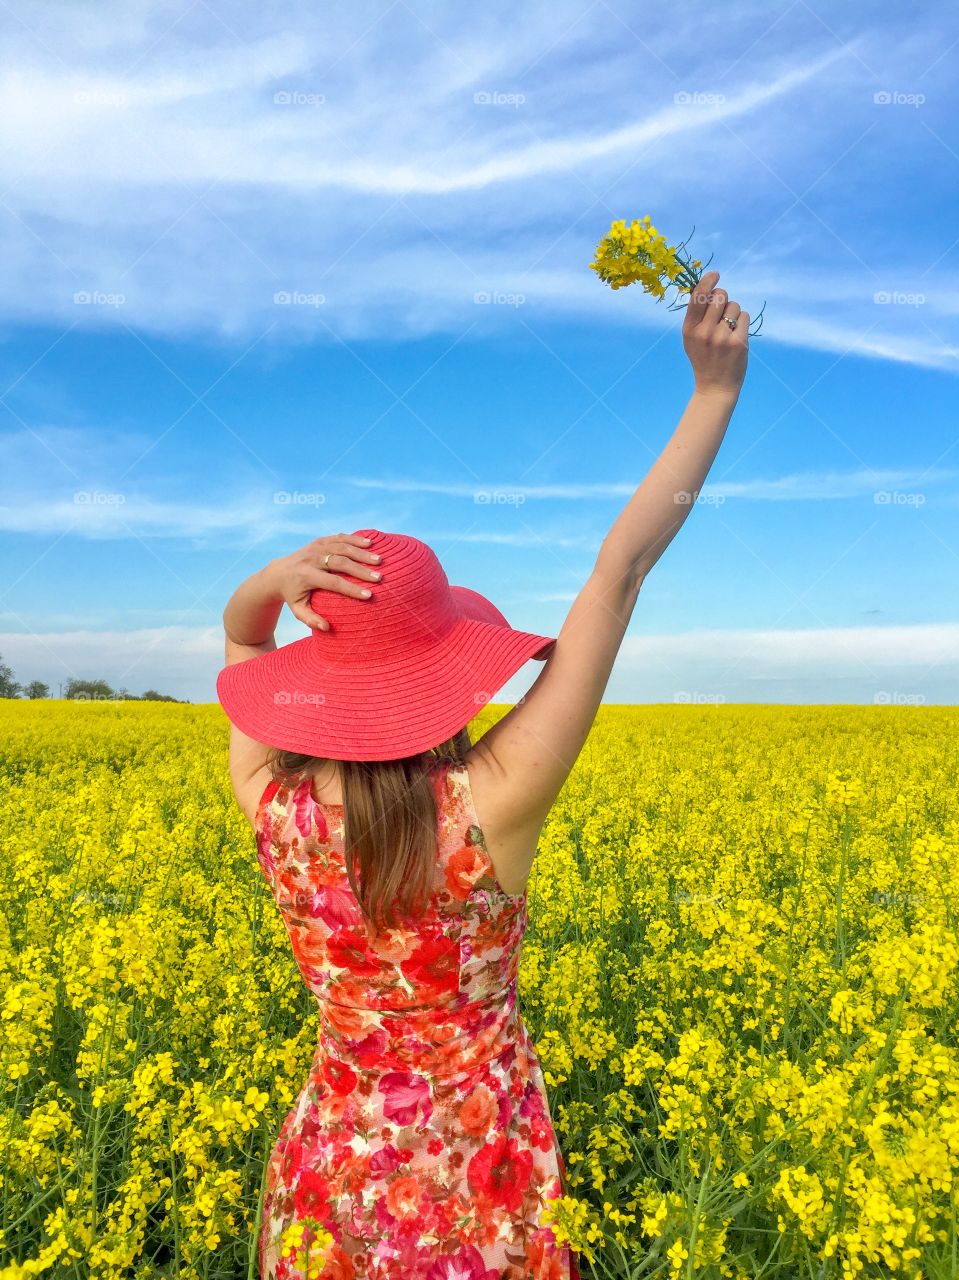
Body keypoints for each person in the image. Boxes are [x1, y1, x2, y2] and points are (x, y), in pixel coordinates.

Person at [217, 270, 748, 1278]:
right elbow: (618, 573)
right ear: (448, 674)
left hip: (331, 1179)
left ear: (318, 678)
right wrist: (713, 393)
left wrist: (275, 583)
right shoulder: (491, 803)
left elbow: (241, 637)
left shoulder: (273, 805)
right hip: (477, 1180)